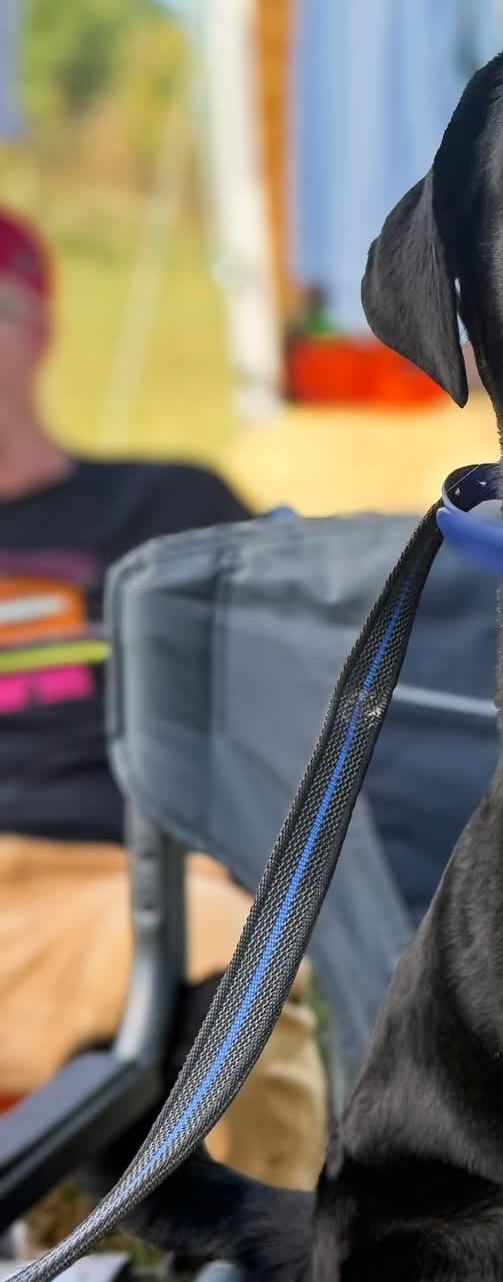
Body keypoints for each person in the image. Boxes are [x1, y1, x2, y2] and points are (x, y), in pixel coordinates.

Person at [0, 207, 325, 1191]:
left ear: (41, 325)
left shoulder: (168, 509)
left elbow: (310, 688)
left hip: (109, 884)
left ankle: (277, 1280)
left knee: (235, 962)